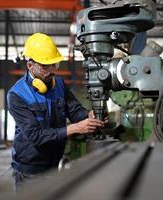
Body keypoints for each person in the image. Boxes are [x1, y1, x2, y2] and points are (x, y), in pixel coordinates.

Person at [7, 33, 106, 191]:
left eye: (55, 64)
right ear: (29, 65)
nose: (53, 70)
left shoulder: (58, 84)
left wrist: (89, 116)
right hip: (30, 171)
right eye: (46, 66)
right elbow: (36, 136)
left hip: (55, 165)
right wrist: (76, 128)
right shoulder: (17, 95)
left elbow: (74, 110)